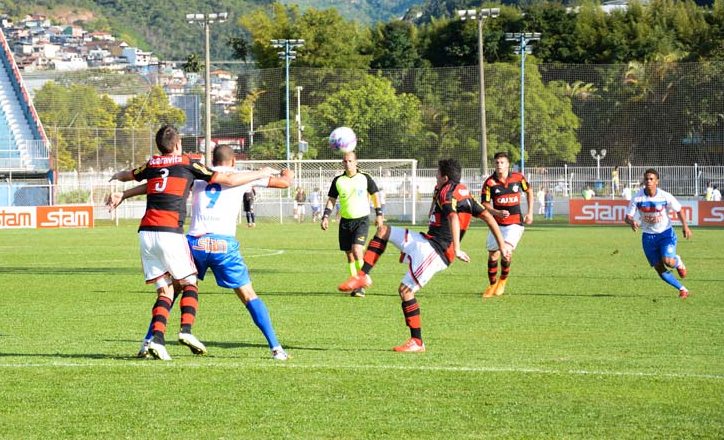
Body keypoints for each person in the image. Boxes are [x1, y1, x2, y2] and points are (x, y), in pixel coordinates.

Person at [111, 144, 293, 360]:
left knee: (171, 292)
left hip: (193, 243)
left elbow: (155, 185)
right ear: (233, 162)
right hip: (223, 246)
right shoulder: (243, 176)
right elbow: (284, 183)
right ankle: (276, 349)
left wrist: (125, 194)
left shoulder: (197, 174)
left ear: (212, 160)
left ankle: (148, 342)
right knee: (248, 295)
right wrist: (287, 171)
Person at [337, 158, 507, 352]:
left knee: (405, 291)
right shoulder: (463, 192)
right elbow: (487, 216)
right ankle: (363, 275)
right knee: (383, 231)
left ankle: (417, 342)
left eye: (437, 174)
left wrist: (457, 248)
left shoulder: (447, 191)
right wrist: (502, 245)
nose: (435, 177)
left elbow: (452, 217)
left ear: (445, 177)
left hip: (437, 251)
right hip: (427, 241)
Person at [320, 151, 384, 298]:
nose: (347, 164)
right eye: (345, 161)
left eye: (350, 161)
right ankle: (357, 286)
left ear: (356, 162)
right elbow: (331, 199)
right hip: (345, 222)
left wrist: (379, 214)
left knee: (357, 250)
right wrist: (325, 217)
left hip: (361, 220)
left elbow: (375, 195)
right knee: (349, 255)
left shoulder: (365, 178)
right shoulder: (338, 180)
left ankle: (362, 281)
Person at [625, 168, 691, 298]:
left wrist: (685, 226)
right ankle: (682, 289)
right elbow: (627, 217)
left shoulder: (665, 196)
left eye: (651, 179)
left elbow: (679, 210)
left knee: (668, 261)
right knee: (658, 267)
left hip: (665, 233)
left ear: (657, 181)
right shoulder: (637, 198)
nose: (648, 181)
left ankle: (677, 261)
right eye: (646, 179)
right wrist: (631, 222)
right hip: (648, 237)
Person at [480, 151, 534, 298]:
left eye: (502, 162)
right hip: (497, 224)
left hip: (514, 224)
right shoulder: (489, 183)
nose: (499, 165)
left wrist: (530, 212)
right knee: (492, 256)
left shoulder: (518, 178)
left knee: (506, 253)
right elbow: (484, 204)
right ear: (494, 165)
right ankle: (492, 285)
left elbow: (529, 191)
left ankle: (502, 281)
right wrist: (496, 212)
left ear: (508, 164)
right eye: (497, 162)